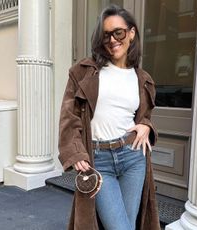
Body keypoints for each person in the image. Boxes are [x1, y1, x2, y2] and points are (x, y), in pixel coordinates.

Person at [58, 4, 160, 230]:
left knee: (128, 225)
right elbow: (69, 116)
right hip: (99, 159)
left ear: (131, 34)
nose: (113, 39)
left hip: (133, 156)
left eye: (119, 32)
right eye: (106, 35)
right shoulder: (84, 72)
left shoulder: (142, 78)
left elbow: (144, 115)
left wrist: (145, 125)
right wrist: (75, 152)